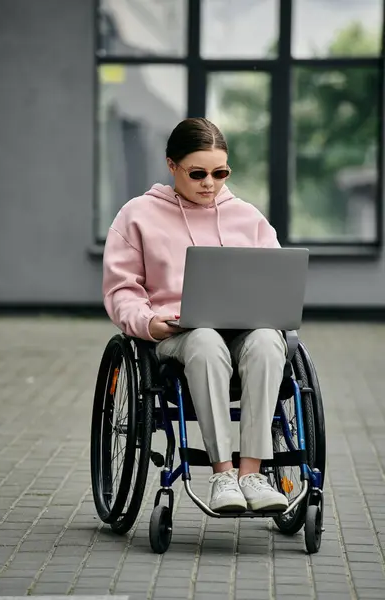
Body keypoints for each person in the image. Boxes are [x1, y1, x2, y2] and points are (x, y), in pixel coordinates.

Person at [103, 117, 288, 513]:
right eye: (198, 173)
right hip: (177, 335)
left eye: (220, 173)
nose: (210, 183)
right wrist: (148, 323)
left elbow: (277, 280)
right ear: (172, 166)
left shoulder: (248, 218)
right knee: (204, 339)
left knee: (269, 341)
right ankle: (223, 474)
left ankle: (251, 473)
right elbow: (122, 288)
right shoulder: (137, 216)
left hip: (242, 330)